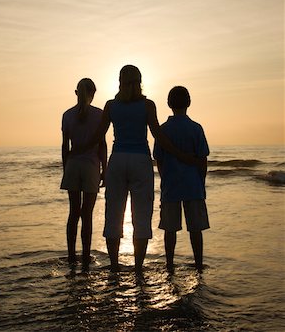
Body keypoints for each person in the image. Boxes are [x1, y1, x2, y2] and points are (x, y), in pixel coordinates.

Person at [79, 65, 200, 274]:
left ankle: (115, 266)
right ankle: (137, 269)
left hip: (117, 161)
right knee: (141, 215)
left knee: (113, 213)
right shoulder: (147, 105)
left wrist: (77, 150)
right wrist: (181, 154)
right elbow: (158, 136)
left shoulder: (111, 105)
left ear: (120, 81)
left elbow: (98, 137)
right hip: (141, 161)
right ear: (140, 81)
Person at [153, 86, 210, 273]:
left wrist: (165, 179)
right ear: (189, 103)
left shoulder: (163, 130)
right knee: (196, 229)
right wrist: (201, 183)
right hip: (193, 185)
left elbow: (159, 160)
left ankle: (169, 265)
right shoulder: (196, 128)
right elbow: (202, 161)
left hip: (171, 185)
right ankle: (199, 264)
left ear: (169, 104)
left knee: (170, 229)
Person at [61, 78, 107, 270]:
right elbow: (102, 144)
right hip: (90, 166)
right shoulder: (99, 115)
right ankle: (86, 256)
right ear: (93, 94)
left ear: (76, 93)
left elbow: (65, 146)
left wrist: (66, 168)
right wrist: (105, 168)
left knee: (74, 212)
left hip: (73, 165)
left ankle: (71, 256)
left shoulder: (67, 115)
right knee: (86, 214)